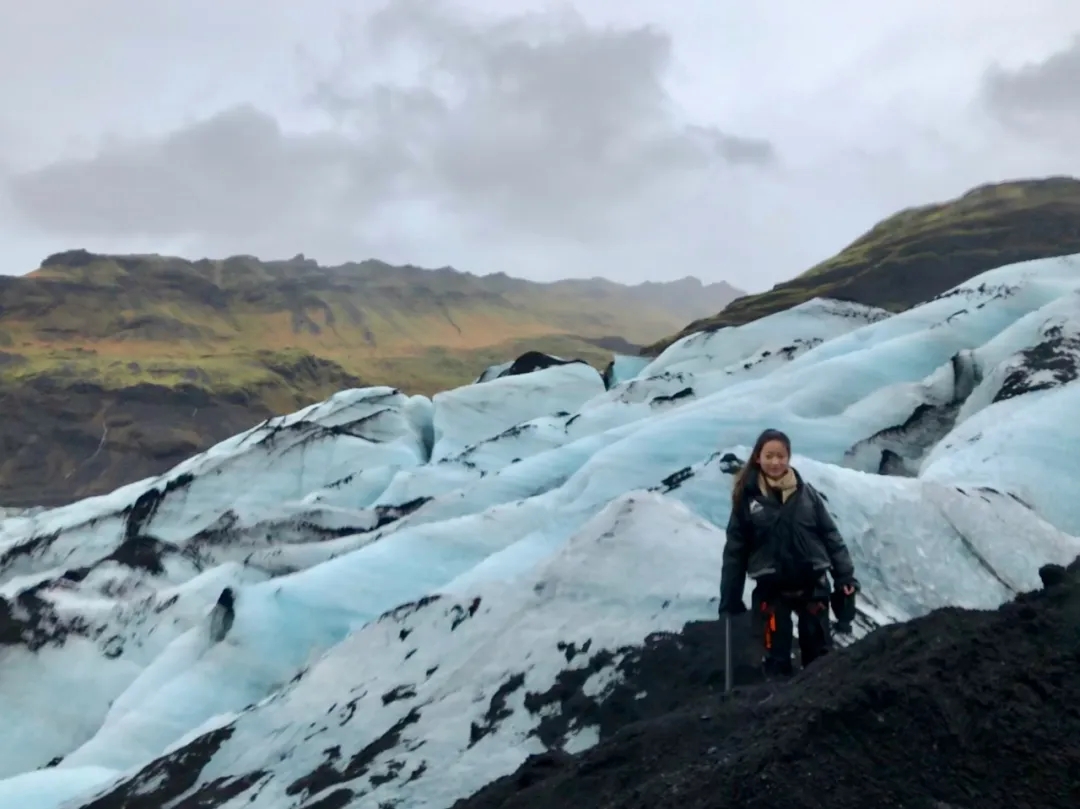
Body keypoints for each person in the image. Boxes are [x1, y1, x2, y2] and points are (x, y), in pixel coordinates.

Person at [718, 428, 859, 677]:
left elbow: (830, 536)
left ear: (789, 457)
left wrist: (844, 576)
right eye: (770, 456)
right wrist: (730, 598)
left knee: (819, 661)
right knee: (776, 661)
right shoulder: (747, 501)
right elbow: (735, 553)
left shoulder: (807, 495)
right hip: (772, 591)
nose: (776, 462)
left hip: (812, 585)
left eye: (781, 456)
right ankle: (782, 712)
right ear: (758, 458)